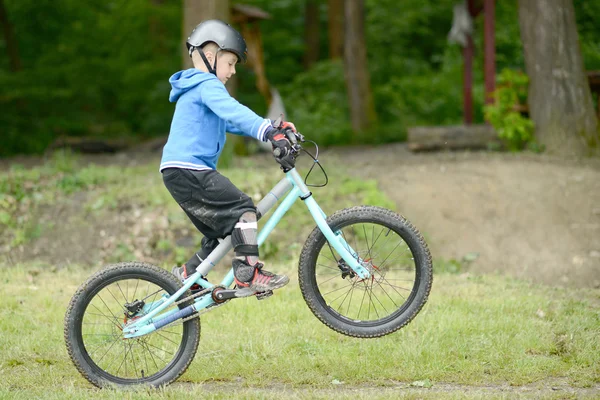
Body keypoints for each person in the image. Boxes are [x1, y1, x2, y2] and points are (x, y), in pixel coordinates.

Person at [161, 20, 296, 294]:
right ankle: (248, 273)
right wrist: (267, 132)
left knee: (222, 230)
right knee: (242, 208)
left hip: (178, 172)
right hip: (189, 170)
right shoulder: (207, 84)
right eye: (231, 63)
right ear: (210, 57)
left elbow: (231, 122)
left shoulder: (197, 88)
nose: (233, 71)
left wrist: (272, 125)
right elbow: (233, 111)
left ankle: (188, 276)